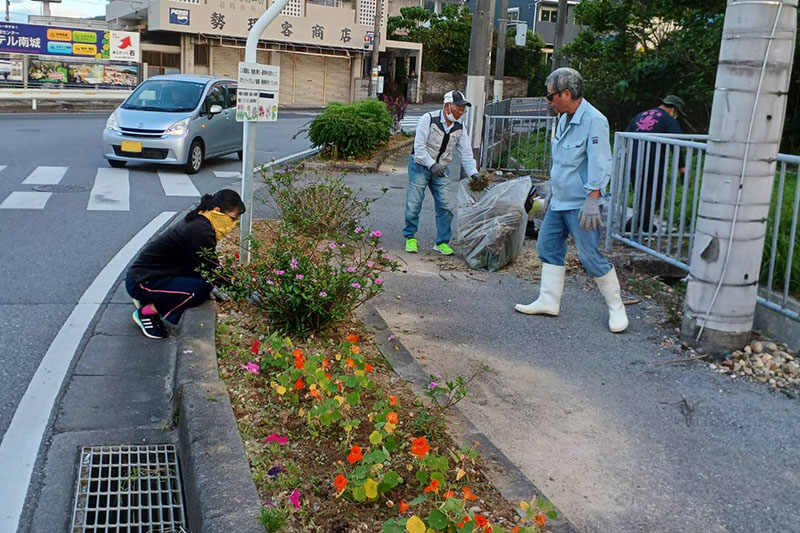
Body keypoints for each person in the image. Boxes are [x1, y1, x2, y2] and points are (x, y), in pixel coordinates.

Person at [514, 68, 628, 333]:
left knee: (590, 256)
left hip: (581, 203)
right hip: (559, 200)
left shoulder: (594, 120)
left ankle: (616, 307)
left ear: (567, 93)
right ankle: (548, 300)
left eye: (551, 96)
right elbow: (564, 162)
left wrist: (593, 198)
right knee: (547, 246)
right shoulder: (564, 118)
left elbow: (601, 163)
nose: (548, 101)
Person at [126, 189, 245, 339]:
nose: (234, 223)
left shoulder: (201, 219)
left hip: (149, 274)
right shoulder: (201, 231)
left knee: (203, 280)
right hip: (142, 281)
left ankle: (149, 297)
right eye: (233, 218)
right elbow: (211, 268)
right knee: (199, 290)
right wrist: (242, 289)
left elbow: (202, 265)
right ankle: (147, 312)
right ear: (217, 211)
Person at [404, 89, 480, 255]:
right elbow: (419, 147)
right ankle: (410, 237)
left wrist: (473, 173)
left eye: (463, 109)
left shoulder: (460, 127)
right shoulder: (429, 119)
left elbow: (466, 153)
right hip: (420, 166)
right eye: (458, 108)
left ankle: (442, 242)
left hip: (441, 169)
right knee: (414, 203)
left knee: (446, 206)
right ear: (447, 106)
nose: (461, 112)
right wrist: (431, 164)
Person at [624, 95, 686, 233]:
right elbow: (677, 145)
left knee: (641, 195)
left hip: (634, 162)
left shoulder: (640, 115)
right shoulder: (668, 120)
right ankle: (632, 224)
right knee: (654, 197)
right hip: (653, 164)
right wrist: (682, 168)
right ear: (674, 109)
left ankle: (645, 224)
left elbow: (626, 136)